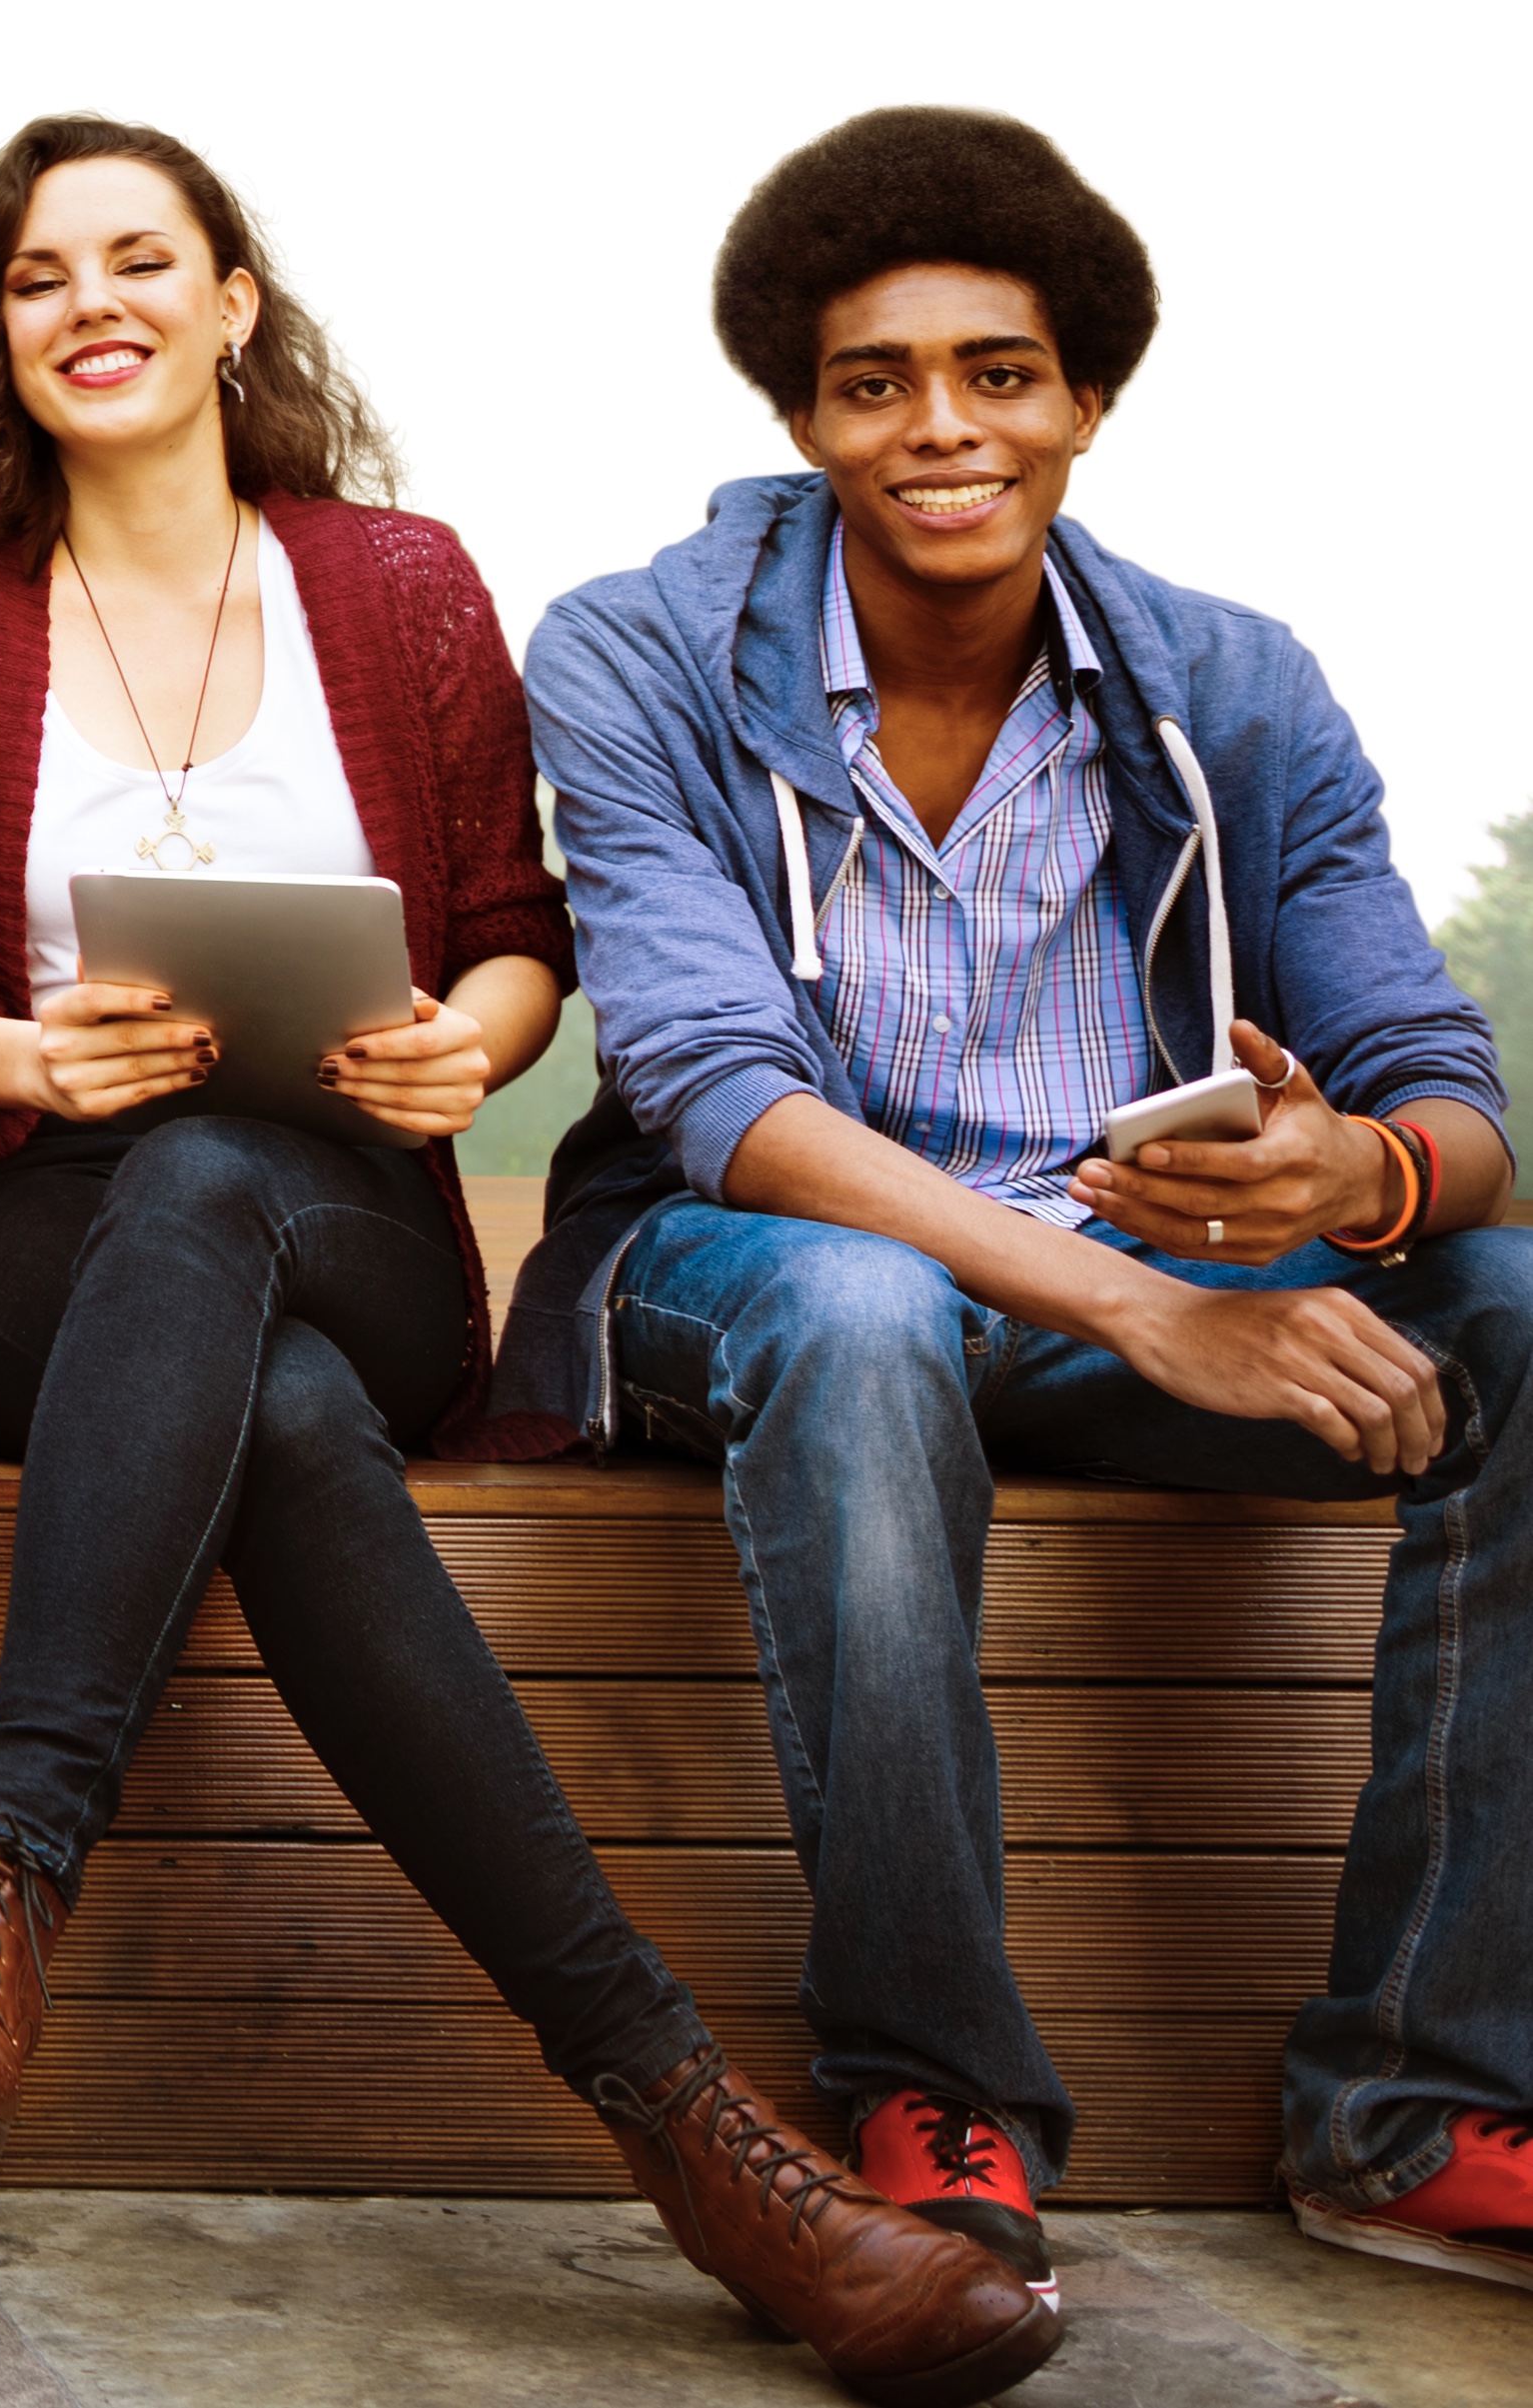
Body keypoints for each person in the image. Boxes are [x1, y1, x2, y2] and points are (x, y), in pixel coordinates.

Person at [0, 115, 1055, 2403]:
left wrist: (461, 1045)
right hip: (23, 1235)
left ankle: (1, 1879)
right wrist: (20, 1049)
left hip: (348, 1210)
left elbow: (515, 930)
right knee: (218, 1316)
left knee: (232, 1215)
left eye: (140, 258)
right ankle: (702, 2141)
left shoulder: (392, 583)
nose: (91, 302)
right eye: (35, 273)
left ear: (232, 302)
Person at [512, 104, 1533, 2307]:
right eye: (873, 381)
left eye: (998, 372)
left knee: (1515, 1311)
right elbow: (712, 1095)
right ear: (796, 409)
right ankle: (928, 2083)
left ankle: (1418, 2098)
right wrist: (1144, 1305)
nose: (940, 428)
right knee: (867, 1313)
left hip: (1120, 1281)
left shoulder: (1228, 681)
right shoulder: (635, 650)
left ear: (1084, 398)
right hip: (740, 1273)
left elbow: (1447, 1092)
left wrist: (1352, 1174)